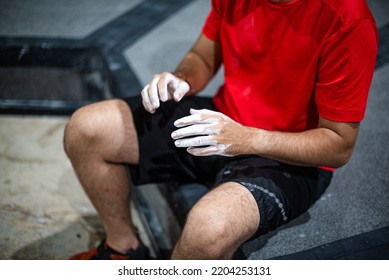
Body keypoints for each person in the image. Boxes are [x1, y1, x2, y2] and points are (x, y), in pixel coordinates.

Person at [64, 0, 378, 260]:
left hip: (290, 157)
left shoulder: (347, 19)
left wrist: (245, 138)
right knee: (86, 128)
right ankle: (122, 248)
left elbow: (338, 145)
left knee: (207, 230)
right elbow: (202, 56)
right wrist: (181, 79)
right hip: (223, 119)